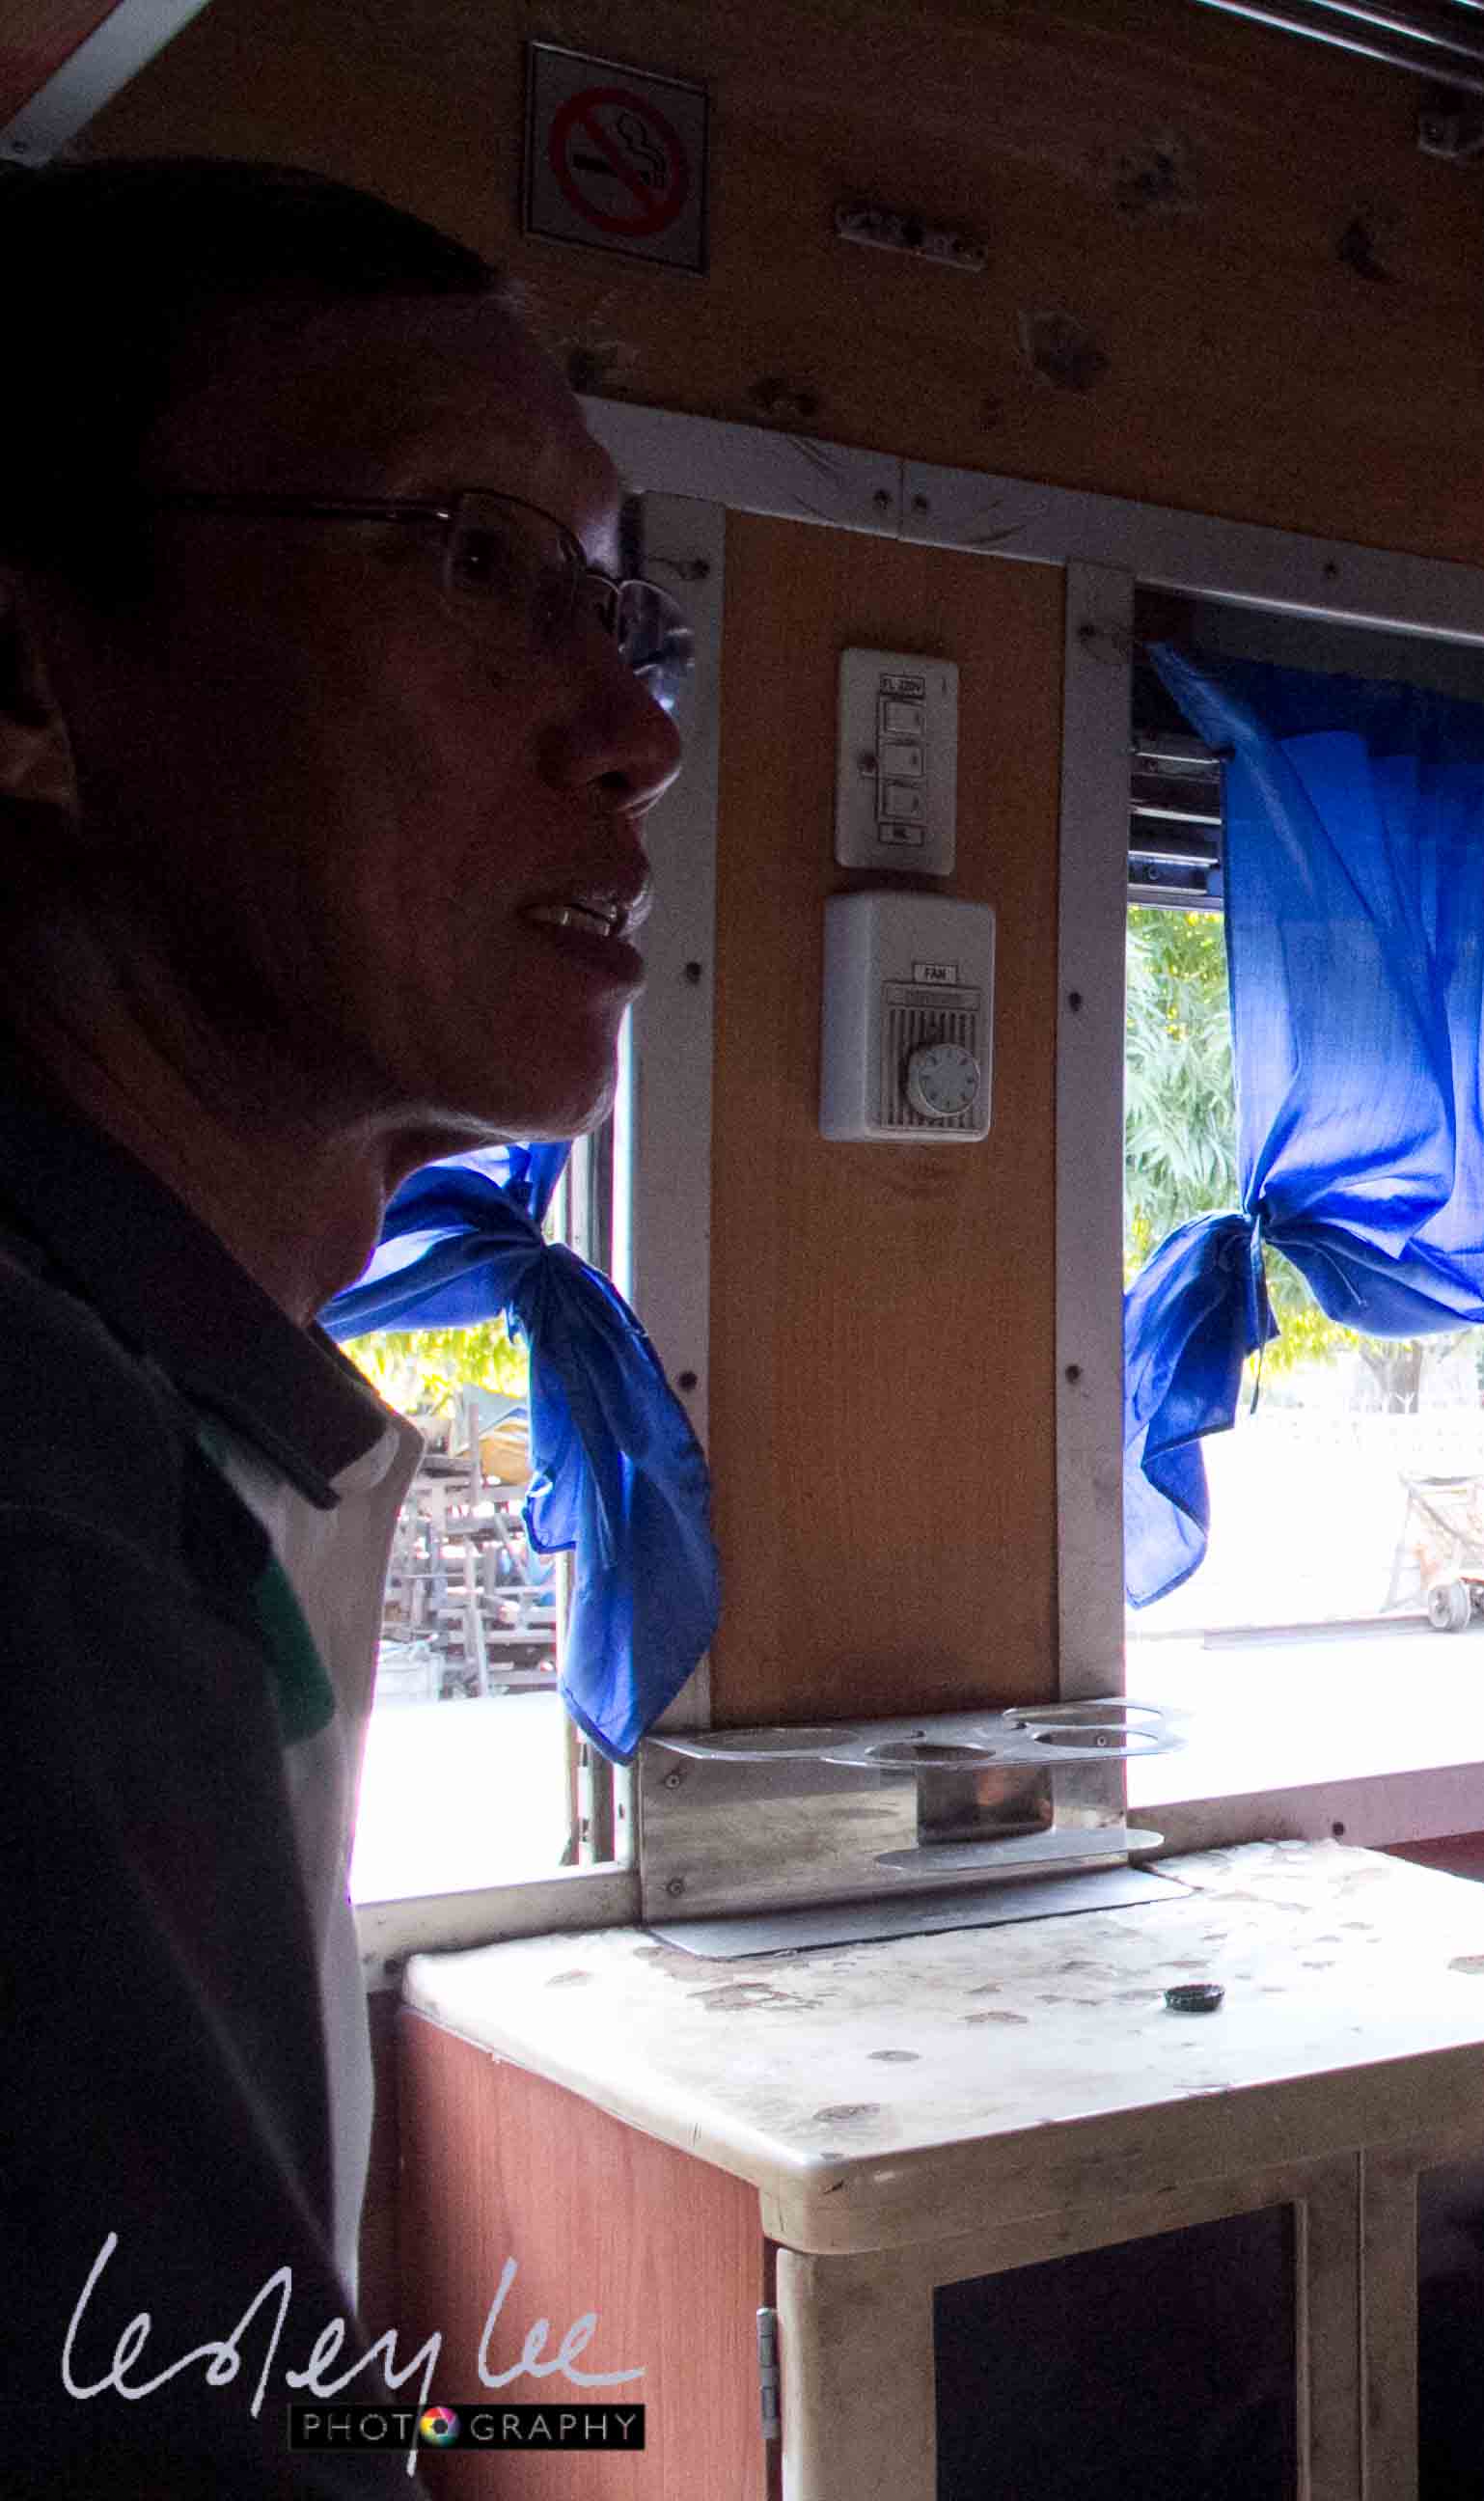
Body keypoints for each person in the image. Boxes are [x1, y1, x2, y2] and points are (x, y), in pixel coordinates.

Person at [0, 158, 686, 2489]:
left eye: (618, 607)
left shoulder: (171, 1425)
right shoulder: (41, 1526)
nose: (636, 729)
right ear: (28, 677)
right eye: (471, 558)